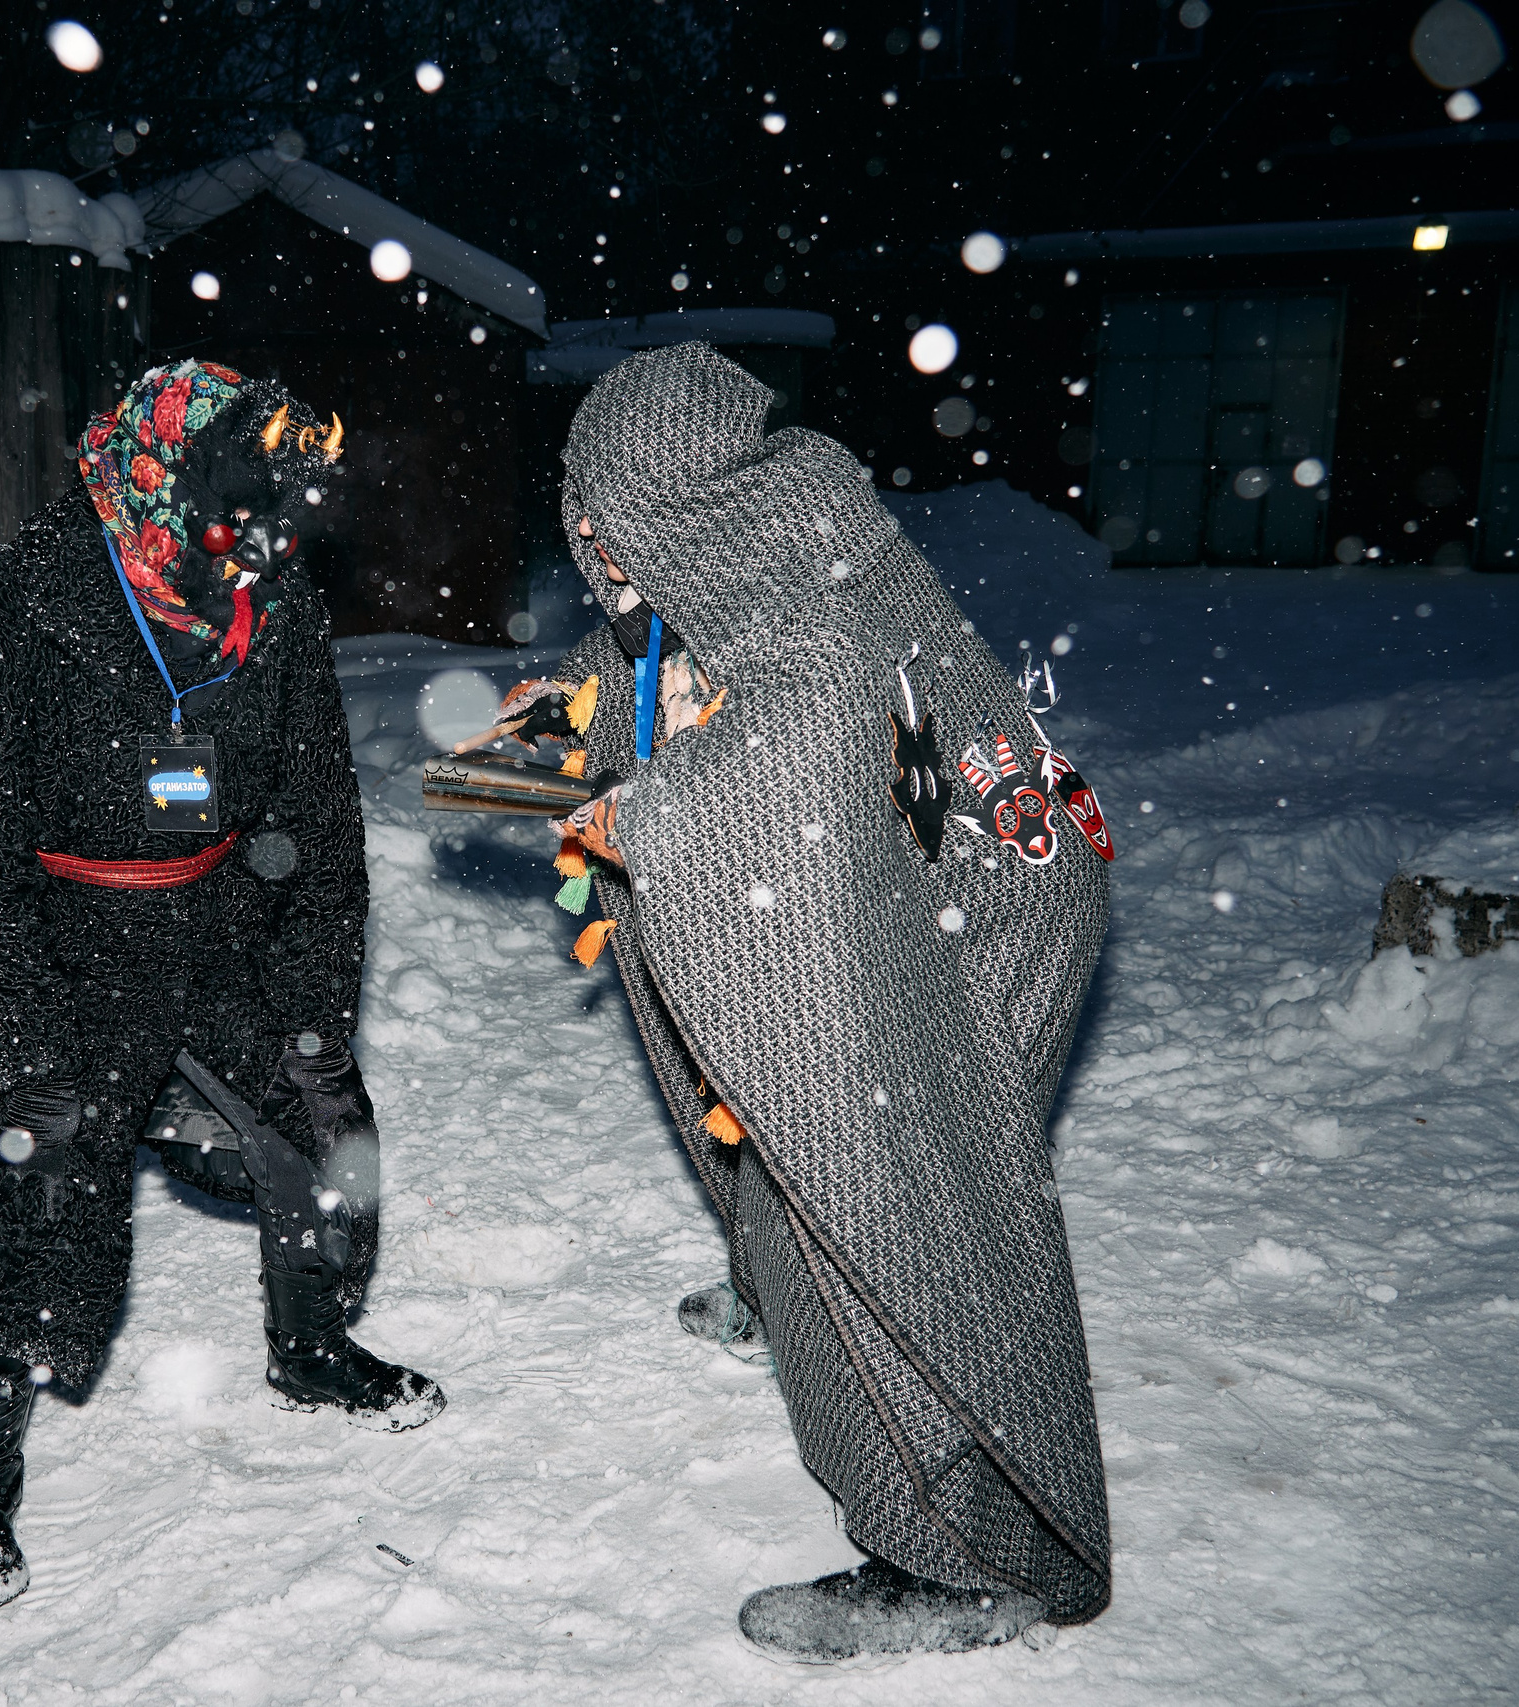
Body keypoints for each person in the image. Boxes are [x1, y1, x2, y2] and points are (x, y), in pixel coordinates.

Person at [496, 343, 1116, 1660]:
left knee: (882, 1172)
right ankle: (785, 1280)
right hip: (951, 869)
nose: (593, 535)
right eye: (578, 504)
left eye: (614, 506)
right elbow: (663, 671)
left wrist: (643, 817)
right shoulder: (764, 531)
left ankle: (950, 1557)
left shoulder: (804, 599)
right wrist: (553, 733)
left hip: (980, 906)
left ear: (683, 493)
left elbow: (789, 748)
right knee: (797, 1096)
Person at [0, 360, 443, 1616]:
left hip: (216, 920)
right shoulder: (18, 609)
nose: (275, 540)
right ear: (169, 484)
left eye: (285, 512)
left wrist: (308, 993)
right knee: (26, 1173)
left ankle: (312, 1348)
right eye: (253, 509)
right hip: (60, 942)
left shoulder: (266, 598)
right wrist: (18, 1049)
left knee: (320, 1115)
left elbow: (316, 814)